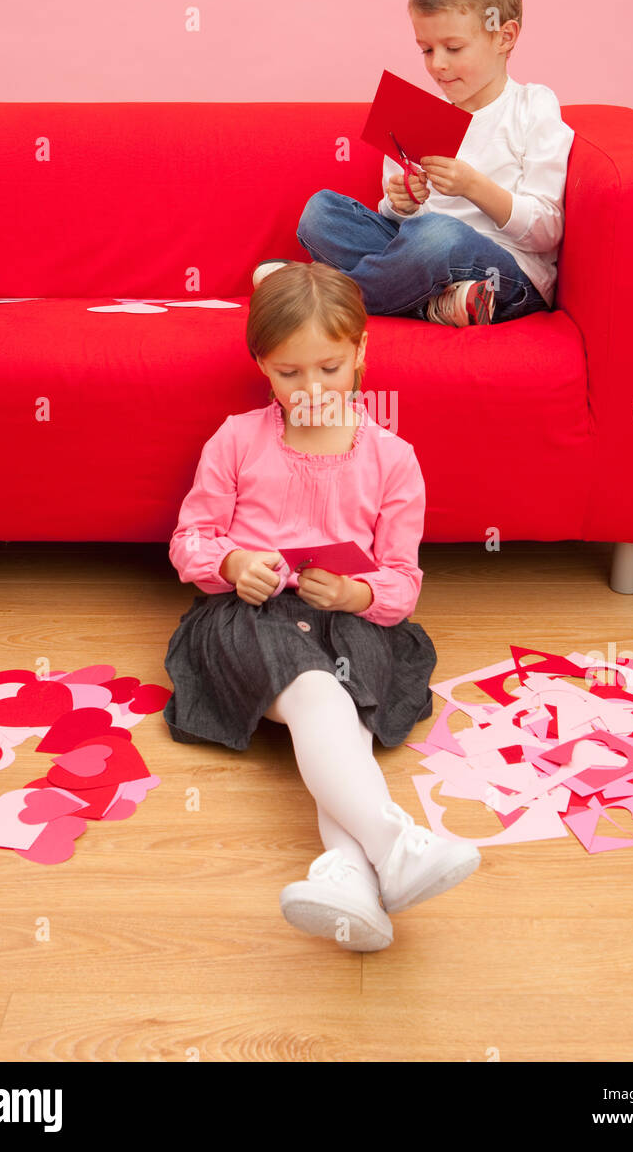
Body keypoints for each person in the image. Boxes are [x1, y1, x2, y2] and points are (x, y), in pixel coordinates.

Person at [163, 261, 481, 952]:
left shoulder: (394, 460)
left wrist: (356, 593)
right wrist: (232, 562)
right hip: (250, 620)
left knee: (343, 691)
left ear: (363, 351)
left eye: (330, 369)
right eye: (289, 374)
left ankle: (347, 877)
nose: (311, 391)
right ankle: (396, 841)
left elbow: (401, 581)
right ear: (262, 367)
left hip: (348, 614)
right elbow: (189, 540)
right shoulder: (236, 441)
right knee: (318, 695)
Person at [254, 0, 575, 326]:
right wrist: (400, 204)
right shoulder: (420, 116)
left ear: (504, 36)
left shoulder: (533, 106)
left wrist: (474, 187)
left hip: (506, 275)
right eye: (426, 49)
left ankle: (324, 297)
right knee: (321, 213)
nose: (437, 64)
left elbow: (547, 233)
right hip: (424, 256)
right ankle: (433, 306)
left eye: (453, 48)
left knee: (437, 235)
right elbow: (403, 226)